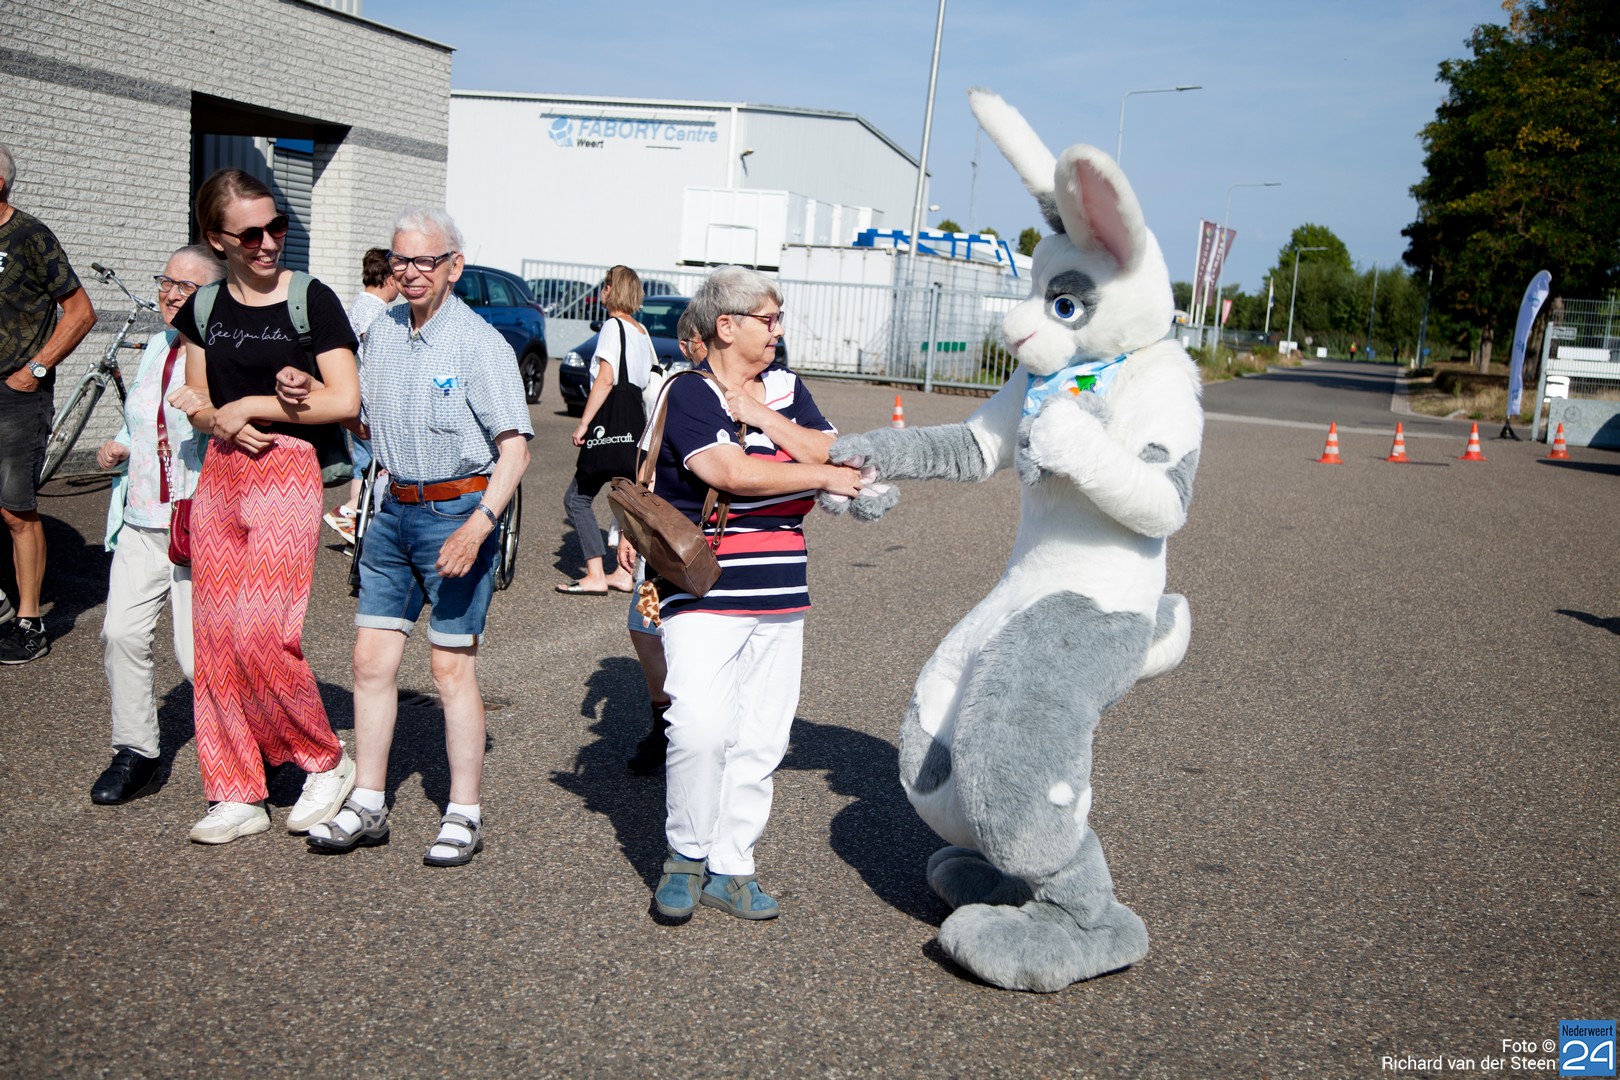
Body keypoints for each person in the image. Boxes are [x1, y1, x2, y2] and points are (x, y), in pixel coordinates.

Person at [616, 266, 861, 920]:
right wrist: (819, 475)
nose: (778, 331)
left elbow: (832, 448)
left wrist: (761, 416)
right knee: (699, 727)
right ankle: (685, 856)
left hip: (781, 586)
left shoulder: (784, 388)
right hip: (703, 585)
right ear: (726, 326)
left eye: (779, 319)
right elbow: (728, 471)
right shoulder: (689, 390)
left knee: (761, 738)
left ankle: (732, 865)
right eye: (768, 319)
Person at [303, 207, 531, 867]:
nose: (409, 272)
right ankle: (368, 802)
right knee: (369, 664)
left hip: (457, 514)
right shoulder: (381, 333)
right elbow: (367, 424)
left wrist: (479, 526)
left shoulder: (480, 344)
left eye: (424, 260)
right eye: (399, 259)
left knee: (449, 668)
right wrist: (307, 391)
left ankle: (464, 812)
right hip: (391, 511)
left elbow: (515, 450)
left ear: (453, 266)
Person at [166, 168, 360, 845]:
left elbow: (344, 399)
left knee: (259, 632)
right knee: (216, 641)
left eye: (276, 226)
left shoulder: (312, 299)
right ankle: (235, 791)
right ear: (217, 238)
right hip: (221, 471)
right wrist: (214, 417)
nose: (270, 242)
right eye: (250, 234)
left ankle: (323, 759)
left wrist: (253, 404)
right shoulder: (204, 308)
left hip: (287, 466)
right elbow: (196, 399)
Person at [89, 245, 224, 804]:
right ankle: (136, 752)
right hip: (142, 519)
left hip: (196, 526)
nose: (170, 293)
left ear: (213, 297)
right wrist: (121, 444)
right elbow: (141, 418)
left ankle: (256, 747)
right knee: (120, 633)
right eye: (166, 282)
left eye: (186, 287)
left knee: (196, 660)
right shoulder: (156, 347)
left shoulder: (223, 354)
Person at [0, 142, 97, 664]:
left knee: (15, 509)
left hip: (14, 395)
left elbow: (80, 311)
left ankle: (30, 620)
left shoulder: (29, 236)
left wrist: (34, 370)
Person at [623, 307, 707, 776]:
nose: (699, 348)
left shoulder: (742, 393)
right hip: (666, 538)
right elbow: (647, 460)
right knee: (644, 623)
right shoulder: (673, 387)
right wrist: (628, 530)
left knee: (700, 638)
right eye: (694, 340)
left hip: (715, 540)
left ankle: (699, 731)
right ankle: (665, 722)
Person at [556, 265, 654, 596]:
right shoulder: (641, 331)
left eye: (605, 285)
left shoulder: (613, 326)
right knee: (627, 497)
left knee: (577, 499)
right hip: (635, 423)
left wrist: (584, 422)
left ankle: (595, 574)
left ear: (612, 290)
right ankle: (624, 573)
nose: (602, 291)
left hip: (609, 422)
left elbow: (607, 378)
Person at [325, 248, 399, 544]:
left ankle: (353, 527)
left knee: (363, 466)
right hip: (371, 403)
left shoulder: (358, 303)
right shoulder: (376, 311)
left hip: (356, 402)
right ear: (389, 278)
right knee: (380, 465)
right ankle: (349, 512)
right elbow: (378, 353)